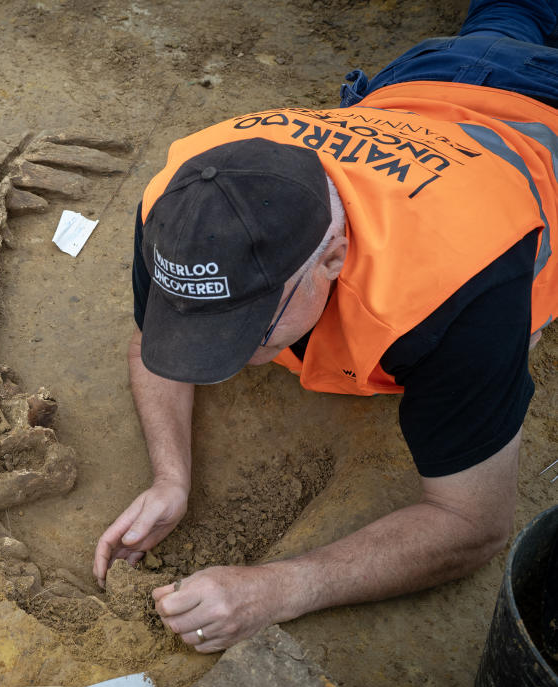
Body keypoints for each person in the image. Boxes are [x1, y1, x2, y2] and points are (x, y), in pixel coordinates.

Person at [94, 0, 558, 652]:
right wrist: (170, 478)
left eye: (254, 329)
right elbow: (150, 346)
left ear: (334, 256)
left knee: (516, 36)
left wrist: (278, 589)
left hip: (543, 113)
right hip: (420, 81)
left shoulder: (457, 288)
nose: (232, 362)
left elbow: (472, 523)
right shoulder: (183, 200)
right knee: (506, 17)